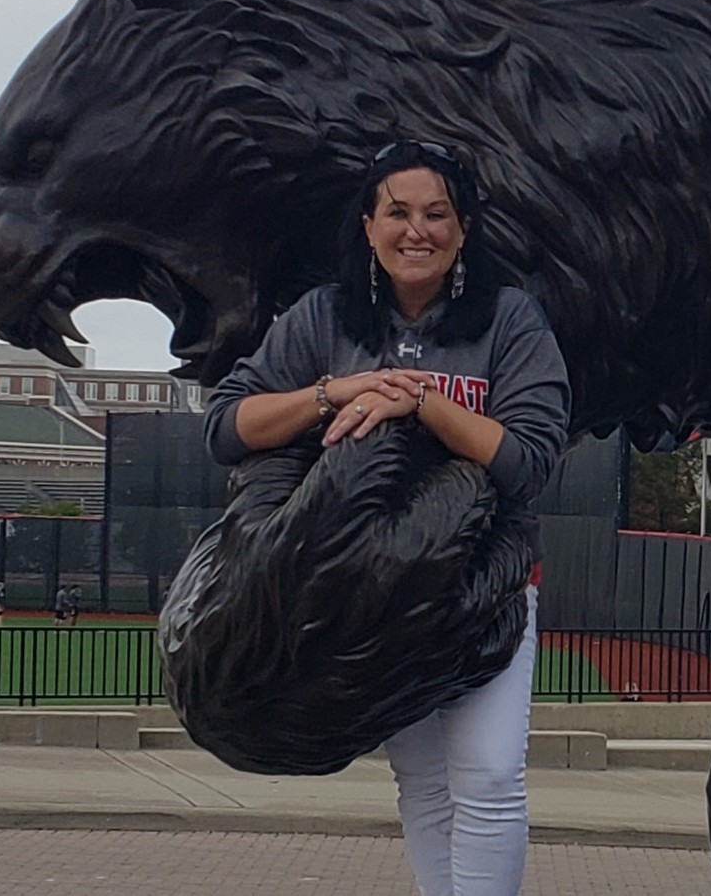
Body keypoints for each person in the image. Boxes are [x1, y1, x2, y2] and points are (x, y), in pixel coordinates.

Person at [203, 139, 571, 896]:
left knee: (491, 773)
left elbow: (528, 459)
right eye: (397, 211)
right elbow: (225, 426)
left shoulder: (508, 321)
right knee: (425, 780)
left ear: (463, 228)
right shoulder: (322, 319)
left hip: (483, 586)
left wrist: (420, 401)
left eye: (436, 213)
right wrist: (335, 391)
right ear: (367, 226)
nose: (417, 230)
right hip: (375, 592)